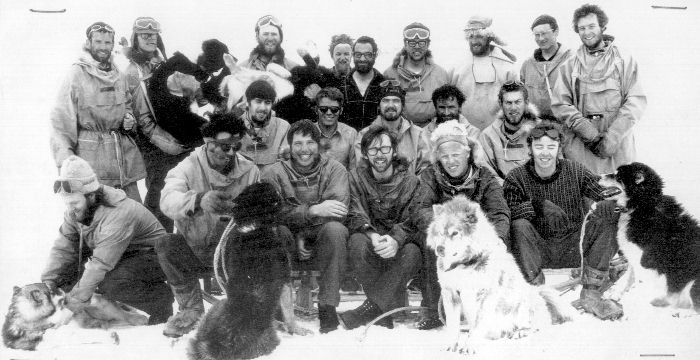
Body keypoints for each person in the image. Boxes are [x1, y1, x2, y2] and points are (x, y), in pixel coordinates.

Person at [503, 121, 623, 320]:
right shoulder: (516, 177)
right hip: (537, 251)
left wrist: (618, 197)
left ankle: (591, 295)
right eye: (539, 147)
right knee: (519, 225)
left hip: (574, 248)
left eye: (551, 147)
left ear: (559, 148)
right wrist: (539, 205)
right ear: (530, 148)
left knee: (608, 212)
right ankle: (537, 296)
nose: (545, 153)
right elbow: (510, 212)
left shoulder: (575, 170)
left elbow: (600, 192)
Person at [158, 114, 260, 337]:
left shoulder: (250, 171)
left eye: (236, 146)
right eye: (225, 147)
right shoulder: (186, 168)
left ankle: (240, 309)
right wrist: (197, 200)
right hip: (195, 250)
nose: (232, 153)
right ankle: (191, 309)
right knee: (166, 244)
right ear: (209, 143)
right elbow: (167, 201)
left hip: (233, 254)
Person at [42, 155, 173, 325]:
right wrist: (48, 282)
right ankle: (106, 308)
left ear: (90, 196)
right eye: (66, 203)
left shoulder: (118, 213)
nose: (70, 208)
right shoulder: (75, 211)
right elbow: (64, 248)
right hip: (121, 257)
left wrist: (72, 307)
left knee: (109, 282)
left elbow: (100, 264)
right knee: (65, 275)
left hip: (155, 257)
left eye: (74, 202)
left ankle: (160, 300)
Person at [406, 119, 510, 330]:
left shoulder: (485, 178)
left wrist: (496, 237)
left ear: (468, 153)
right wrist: (442, 228)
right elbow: (419, 209)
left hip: (474, 239)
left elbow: (499, 212)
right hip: (445, 237)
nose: (451, 161)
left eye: (456, 155)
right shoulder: (430, 176)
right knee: (430, 242)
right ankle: (431, 305)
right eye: (445, 156)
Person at [262, 119, 349, 334]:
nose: (304, 150)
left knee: (336, 230)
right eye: (298, 143)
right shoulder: (273, 173)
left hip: (321, 242)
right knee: (276, 232)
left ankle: (327, 306)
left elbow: (337, 211)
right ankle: (279, 305)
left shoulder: (335, 169)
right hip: (287, 242)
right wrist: (313, 210)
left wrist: (305, 233)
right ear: (289, 146)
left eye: (310, 143)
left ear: (319, 145)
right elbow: (271, 214)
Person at [50, 22, 145, 202]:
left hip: (121, 162)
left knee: (133, 214)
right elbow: (60, 124)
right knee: (95, 219)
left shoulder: (119, 74)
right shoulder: (76, 74)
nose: (103, 47)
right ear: (89, 42)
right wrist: (67, 165)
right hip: (91, 162)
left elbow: (127, 104)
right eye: (98, 41)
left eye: (107, 43)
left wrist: (129, 119)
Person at [340, 126, 422, 330]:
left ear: (394, 151)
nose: (379, 155)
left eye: (385, 149)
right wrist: (372, 234)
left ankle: (372, 308)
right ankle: (382, 307)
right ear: (365, 154)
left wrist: (395, 239)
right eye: (373, 150)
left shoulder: (411, 181)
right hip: (371, 239)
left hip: (400, 243)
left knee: (413, 252)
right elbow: (354, 210)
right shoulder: (355, 177)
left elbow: (412, 218)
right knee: (357, 243)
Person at [551, 4, 646, 174]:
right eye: (582, 28)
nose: (587, 32)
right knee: (586, 197)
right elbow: (560, 105)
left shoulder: (624, 61)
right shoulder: (570, 66)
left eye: (592, 26)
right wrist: (591, 135)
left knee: (619, 196)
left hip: (618, 149)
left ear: (603, 26)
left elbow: (635, 102)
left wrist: (611, 139)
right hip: (582, 150)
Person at [123, 16, 194, 232]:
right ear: (136, 38)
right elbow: (140, 116)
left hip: (176, 137)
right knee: (158, 190)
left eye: (153, 35)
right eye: (144, 35)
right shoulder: (132, 72)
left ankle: (184, 240)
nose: (150, 39)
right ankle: (155, 242)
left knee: (183, 186)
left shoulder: (165, 64)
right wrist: (166, 142)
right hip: (153, 143)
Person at [450, 16, 518, 130]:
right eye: (471, 37)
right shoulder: (457, 67)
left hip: (499, 132)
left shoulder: (506, 67)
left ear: (489, 37)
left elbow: (516, 102)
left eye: (479, 36)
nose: (474, 41)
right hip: (464, 132)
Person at [355, 80, 431, 175]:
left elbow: (425, 173)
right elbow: (361, 172)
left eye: (396, 101)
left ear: (403, 106)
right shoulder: (364, 135)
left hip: (411, 188)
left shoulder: (418, 134)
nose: (390, 105)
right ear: (379, 106)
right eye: (385, 101)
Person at [383, 22, 449, 128]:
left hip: (432, 132)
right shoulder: (390, 74)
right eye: (412, 43)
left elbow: (448, 109)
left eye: (422, 43)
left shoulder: (441, 74)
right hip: (400, 131)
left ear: (428, 44)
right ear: (405, 44)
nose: (417, 47)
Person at [480, 81, 541, 184]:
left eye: (517, 102)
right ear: (500, 104)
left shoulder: (541, 129)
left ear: (526, 102)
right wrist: (511, 189)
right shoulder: (488, 135)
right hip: (506, 192)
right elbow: (487, 174)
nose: (513, 108)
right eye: (508, 103)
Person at [520, 15, 572, 118]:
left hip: (565, 124)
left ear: (556, 32)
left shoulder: (571, 60)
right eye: (537, 35)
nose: (541, 38)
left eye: (544, 33)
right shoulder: (528, 64)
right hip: (535, 126)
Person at [238, 80, 291, 172]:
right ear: (247, 102)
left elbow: (285, 167)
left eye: (267, 102)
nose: (263, 108)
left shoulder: (283, 128)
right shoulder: (233, 126)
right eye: (258, 101)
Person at [338, 36, 385, 131]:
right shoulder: (340, 84)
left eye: (368, 54)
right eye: (358, 55)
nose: (362, 59)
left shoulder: (384, 84)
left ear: (375, 55)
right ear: (353, 55)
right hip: (348, 143)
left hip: (375, 142)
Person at [315, 87, 357, 169]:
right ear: (316, 110)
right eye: (323, 109)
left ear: (341, 111)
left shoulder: (351, 134)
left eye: (334, 109)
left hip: (342, 181)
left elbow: (354, 171)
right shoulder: (307, 132)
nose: (329, 113)